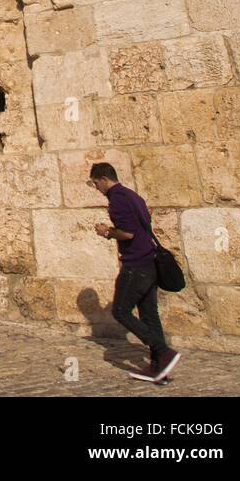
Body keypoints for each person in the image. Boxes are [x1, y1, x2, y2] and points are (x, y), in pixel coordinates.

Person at [89, 162, 181, 383]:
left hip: (136, 265)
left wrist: (107, 232)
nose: (96, 188)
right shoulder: (132, 195)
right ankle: (159, 369)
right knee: (149, 315)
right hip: (149, 262)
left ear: (103, 179)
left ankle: (163, 351)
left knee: (121, 311)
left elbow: (128, 233)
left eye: (94, 184)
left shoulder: (117, 199)